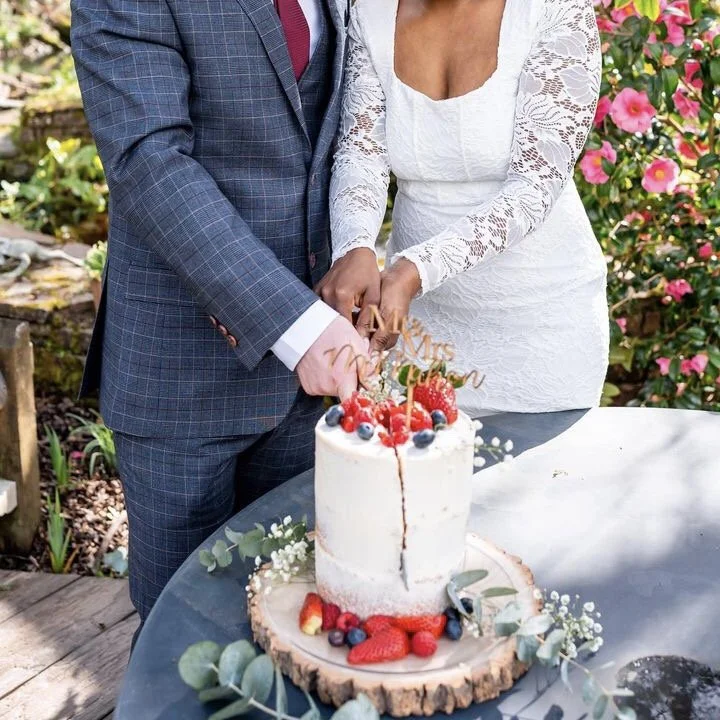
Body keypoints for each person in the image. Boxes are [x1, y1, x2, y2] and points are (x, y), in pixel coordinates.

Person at [70, 0, 365, 624]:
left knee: (299, 631)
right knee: (183, 649)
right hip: (182, 374)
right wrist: (296, 326)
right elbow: (148, 161)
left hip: (307, 388)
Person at [321, 0, 610, 415]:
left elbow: (534, 188)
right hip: (417, 327)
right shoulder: (372, 12)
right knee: (423, 470)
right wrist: (355, 247)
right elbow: (361, 154)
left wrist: (414, 270)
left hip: (540, 325)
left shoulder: (553, 9)